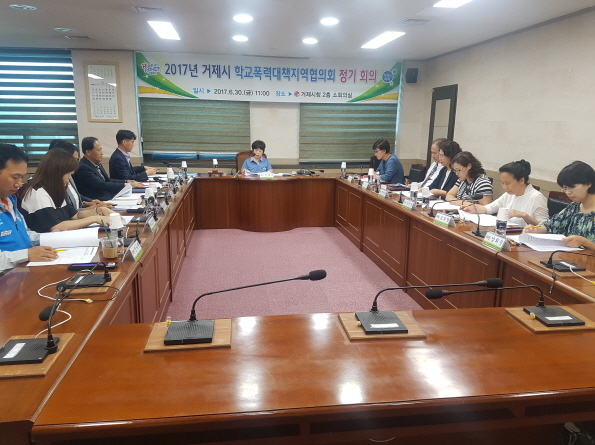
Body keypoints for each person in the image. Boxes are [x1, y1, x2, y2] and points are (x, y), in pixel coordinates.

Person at [18, 149, 114, 233]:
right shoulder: (37, 193)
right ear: (57, 173)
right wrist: (94, 219)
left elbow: (76, 215)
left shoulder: (54, 189)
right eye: (68, 174)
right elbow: (56, 226)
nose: (70, 178)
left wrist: (99, 210)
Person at [0, 144, 57, 275]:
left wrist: (52, 238)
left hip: (22, 272)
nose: (19, 184)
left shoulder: (9, 200)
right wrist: (26, 255)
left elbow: (24, 235)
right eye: (15, 177)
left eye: (22, 177)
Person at [524, 161, 595, 250]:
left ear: (588, 184)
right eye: (565, 188)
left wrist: (585, 242)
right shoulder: (573, 208)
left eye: (572, 187)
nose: (568, 192)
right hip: (570, 257)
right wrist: (535, 229)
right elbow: (551, 225)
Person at [461, 160, 548, 228]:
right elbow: (492, 207)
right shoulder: (509, 194)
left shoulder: (536, 197)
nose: (505, 187)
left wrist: (524, 216)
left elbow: (545, 226)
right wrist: (473, 209)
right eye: (502, 183)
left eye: (507, 183)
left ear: (521, 180)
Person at [48, 139, 114, 211]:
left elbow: (75, 196)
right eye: (74, 160)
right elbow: (69, 213)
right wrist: (95, 209)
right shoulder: (53, 183)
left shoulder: (69, 174)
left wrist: (88, 203)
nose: (76, 163)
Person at [73, 137, 143, 201]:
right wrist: (127, 185)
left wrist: (126, 181)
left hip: (109, 196)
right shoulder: (83, 167)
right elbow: (101, 185)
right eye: (99, 150)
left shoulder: (97, 163)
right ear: (88, 152)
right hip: (99, 201)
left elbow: (108, 180)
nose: (102, 153)